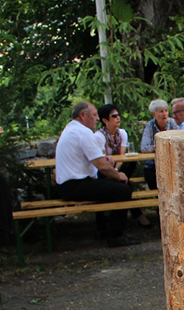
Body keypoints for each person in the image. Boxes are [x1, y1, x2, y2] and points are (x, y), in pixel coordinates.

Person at [54, 101, 138, 248]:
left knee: (110, 187)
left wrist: (105, 162)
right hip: (74, 185)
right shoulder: (83, 132)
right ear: (82, 115)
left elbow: (94, 160)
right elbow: (102, 166)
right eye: (94, 115)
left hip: (68, 184)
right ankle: (116, 236)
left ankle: (103, 229)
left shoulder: (72, 129)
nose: (97, 119)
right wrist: (118, 175)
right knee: (123, 189)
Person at [95, 103, 150, 228]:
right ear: (105, 120)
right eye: (114, 116)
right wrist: (115, 174)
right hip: (104, 172)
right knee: (124, 185)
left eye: (118, 115)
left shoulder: (122, 133)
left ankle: (107, 225)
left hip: (116, 169)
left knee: (129, 165)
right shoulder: (99, 136)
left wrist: (115, 171)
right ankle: (138, 214)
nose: (118, 118)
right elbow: (102, 160)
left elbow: (122, 156)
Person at [140, 98, 180, 190]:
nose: (164, 114)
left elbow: (178, 142)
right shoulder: (150, 125)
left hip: (171, 161)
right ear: (153, 114)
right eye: (161, 111)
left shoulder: (172, 123)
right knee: (150, 172)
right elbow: (144, 147)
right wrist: (161, 147)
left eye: (166, 111)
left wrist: (158, 147)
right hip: (153, 164)